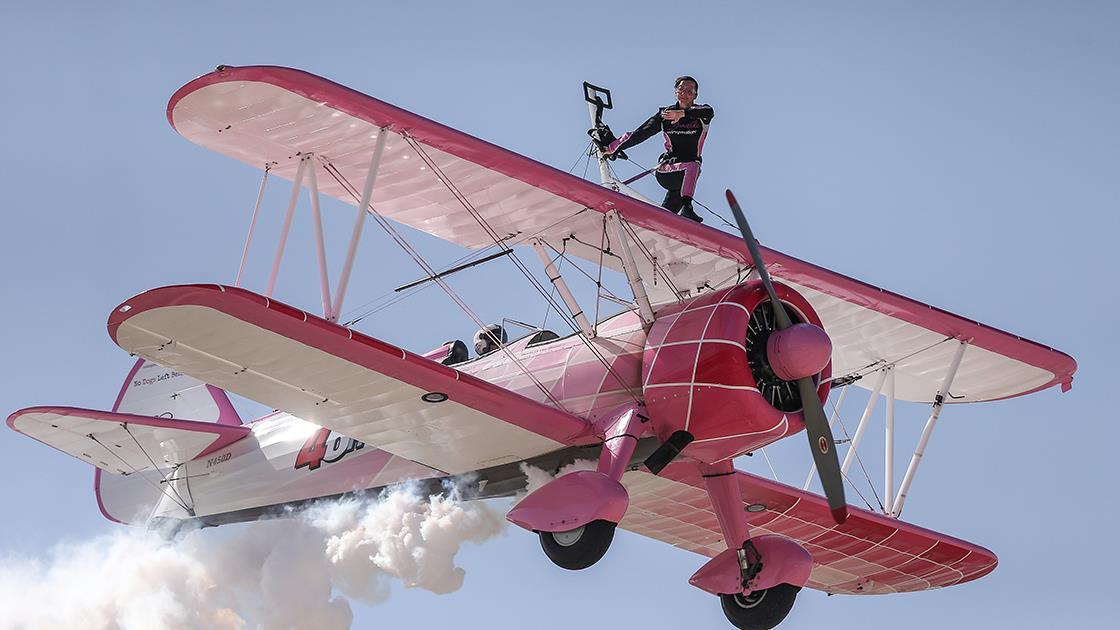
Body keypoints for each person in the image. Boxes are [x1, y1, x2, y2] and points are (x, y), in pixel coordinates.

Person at [598, 76, 714, 223]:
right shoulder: (665, 115)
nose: (685, 93)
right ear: (675, 92)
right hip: (667, 170)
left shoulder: (702, 113)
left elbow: (709, 112)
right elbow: (640, 134)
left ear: (695, 95)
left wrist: (682, 114)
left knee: (665, 217)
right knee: (693, 166)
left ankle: (650, 228)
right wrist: (611, 147)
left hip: (685, 178)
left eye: (690, 91)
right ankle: (687, 208)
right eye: (681, 89)